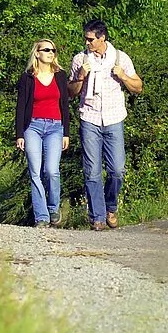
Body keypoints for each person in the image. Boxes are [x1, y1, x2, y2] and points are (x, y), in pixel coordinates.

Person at [68, 19, 143, 230]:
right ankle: (97, 217)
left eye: (91, 39)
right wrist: (81, 77)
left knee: (117, 170)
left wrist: (123, 76)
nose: (87, 42)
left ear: (102, 38)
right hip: (89, 118)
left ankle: (111, 206)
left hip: (113, 118)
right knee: (91, 171)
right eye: (86, 38)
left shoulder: (120, 57)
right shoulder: (80, 59)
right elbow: (70, 93)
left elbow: (138, 87)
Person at [14, 39, 71, 228]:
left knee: (51, 171)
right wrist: (19, 134)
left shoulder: (60, 76)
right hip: (33, 127)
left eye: (53, 50)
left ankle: (54, 208)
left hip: (55, 127)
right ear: (37, 53)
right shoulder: (27, 77)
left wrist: (66, 133)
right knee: (35, 171)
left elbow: (65, 105)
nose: (50, 52)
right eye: (46, 49)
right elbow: (21, 106)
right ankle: (42, 216)